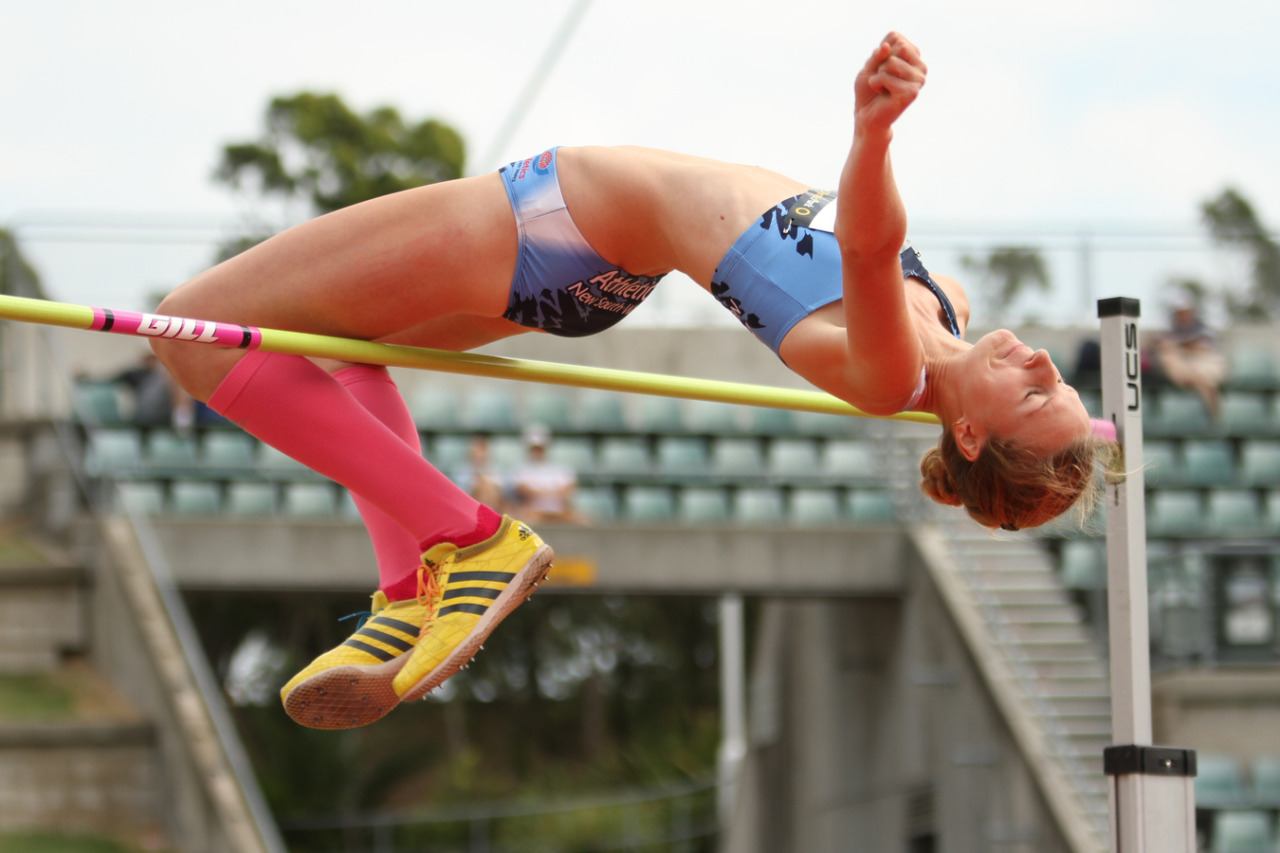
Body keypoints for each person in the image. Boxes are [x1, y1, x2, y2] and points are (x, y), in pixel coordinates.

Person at [149, 32, 1109, 730]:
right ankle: (408, 593)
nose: (1039, 362)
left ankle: (470, 538)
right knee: (335, 351)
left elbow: (865, 243)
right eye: (1057, 378)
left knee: (195, 331)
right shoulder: (948, 309)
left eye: (1034, 395)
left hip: (560, 222)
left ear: (969, 436)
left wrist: (874, 134)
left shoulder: (890, 373)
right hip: (599, 267)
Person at [1154, 289, 1228, 420]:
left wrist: (1182, 346)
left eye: (1185, 312)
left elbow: (1202, 345)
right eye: (1179, 312)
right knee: (1169, 355)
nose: (1183, 316)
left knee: (1205, 377)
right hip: (1187, 370)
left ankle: (1214, 415)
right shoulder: (1171, 332)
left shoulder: (1203, 329)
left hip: (1203, 367)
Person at [509, 425, 586, 524]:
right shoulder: (519, 471)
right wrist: (553, 494)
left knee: (582, 520)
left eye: (540, 448)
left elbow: (568, 492)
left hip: (560, 512)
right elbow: (524, 492)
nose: (537, 452)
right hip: (533, 513)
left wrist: (540, 494)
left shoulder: (561, 470)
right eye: (534, 448)